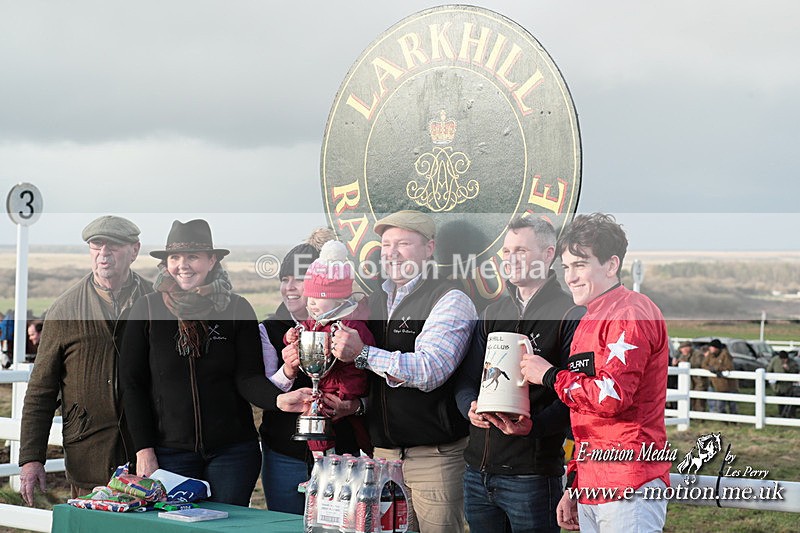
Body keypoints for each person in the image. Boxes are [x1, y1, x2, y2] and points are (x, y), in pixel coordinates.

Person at [520, 213, 671, 533]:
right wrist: (575, 483)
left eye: (580, 265)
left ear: (611, 265)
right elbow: (585, 416)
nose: (570, 277)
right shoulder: (589, 317)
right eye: (566, 267)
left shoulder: (631, 312)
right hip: (594, 481)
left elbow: (611, 397)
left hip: (630, 481)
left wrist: (549, 375)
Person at [332, 210, 478, 533]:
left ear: (429, 248)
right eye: (385, 244)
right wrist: (355, 405)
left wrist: (364, 353)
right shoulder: (374, 301)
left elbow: (430, 370)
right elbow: (372, 381)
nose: (392, 252)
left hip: (434, 459)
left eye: (403, 243)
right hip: (383, 457)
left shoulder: (450, 299)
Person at [119, 219, 275, 506]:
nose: (183, 265)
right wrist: (143, 449)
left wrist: (280, 400)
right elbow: (132, 383)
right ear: (166, 263)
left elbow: (248, 377)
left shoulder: (237, 308)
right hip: (170, 454)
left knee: (228, 526)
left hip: (233, 453)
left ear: (212, 260)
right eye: (175, 257)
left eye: (193, 256)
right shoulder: (148, 309)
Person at [454, 216, 583, 533]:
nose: (509, 259)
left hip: (532, 475)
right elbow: (466, 379)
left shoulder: (571, 314)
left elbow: (577, 395)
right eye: (506, 251)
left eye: (520, 251)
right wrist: (469, 407)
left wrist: (534, 427)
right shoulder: (492, 312)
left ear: (548, 253)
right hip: (477, 471)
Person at [18, 215, 151, 504]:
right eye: (96, 245)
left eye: (114, 245)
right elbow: (41, 390)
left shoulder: (157, 301)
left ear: (134, 250)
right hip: (89, 455)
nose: (104, 254)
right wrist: (31, 459)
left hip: (150, 457)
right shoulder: (65, 310)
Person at [258, 226, 364, 515]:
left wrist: (355, 405)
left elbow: (368, 380)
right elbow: (262, 386)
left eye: (299, 279)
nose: (290, 287)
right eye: (284, 279)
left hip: (341, 451)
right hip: (284, 452)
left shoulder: (349, 327)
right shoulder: (271, 329)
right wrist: (288, 370)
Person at [281, 239, 373, 455]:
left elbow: (362, 351)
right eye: (310, 296)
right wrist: (290, 337)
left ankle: (362, 452)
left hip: (347, 387)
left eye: (318, 297)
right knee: (315, 415)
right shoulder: (314, 322)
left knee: (359, 432)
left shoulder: (351, 325)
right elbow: (302, 336)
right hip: (324, 385)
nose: (311, 303)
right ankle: (321, 460)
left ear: (339, 300)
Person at [702, 339, 738, 415]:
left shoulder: (725, 355)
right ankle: (724, 421)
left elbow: (729, 367)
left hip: (728, 384)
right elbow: (704, 364)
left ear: (717, 348)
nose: (711, 349)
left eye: (712, 347)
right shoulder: (710, 355)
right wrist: (710, 369)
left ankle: (734, 420)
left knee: (732, 404)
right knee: (720, 405)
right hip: (717, 384)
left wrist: (717, 368)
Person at [676, 340, 707, 411]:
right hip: (690, 381)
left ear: (688, 348)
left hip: (699, 380)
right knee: (690, 397)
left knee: (699, 398)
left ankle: (699, 416)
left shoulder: (698, 354)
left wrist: (686, 363)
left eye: (683, 348)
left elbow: (699, 364)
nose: (682, 350)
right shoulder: (683, 355)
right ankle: (691, 414)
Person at [766, 350, 798, 417]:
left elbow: (796, 371)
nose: (784, 361)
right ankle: (781, 414)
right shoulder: (775, 360)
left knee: (789, 401)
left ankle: (790, 415)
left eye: (785, 359)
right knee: (780, 401)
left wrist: (788, 369)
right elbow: (769, 370)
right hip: (778, 386)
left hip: (788, 386)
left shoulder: (792, 362)